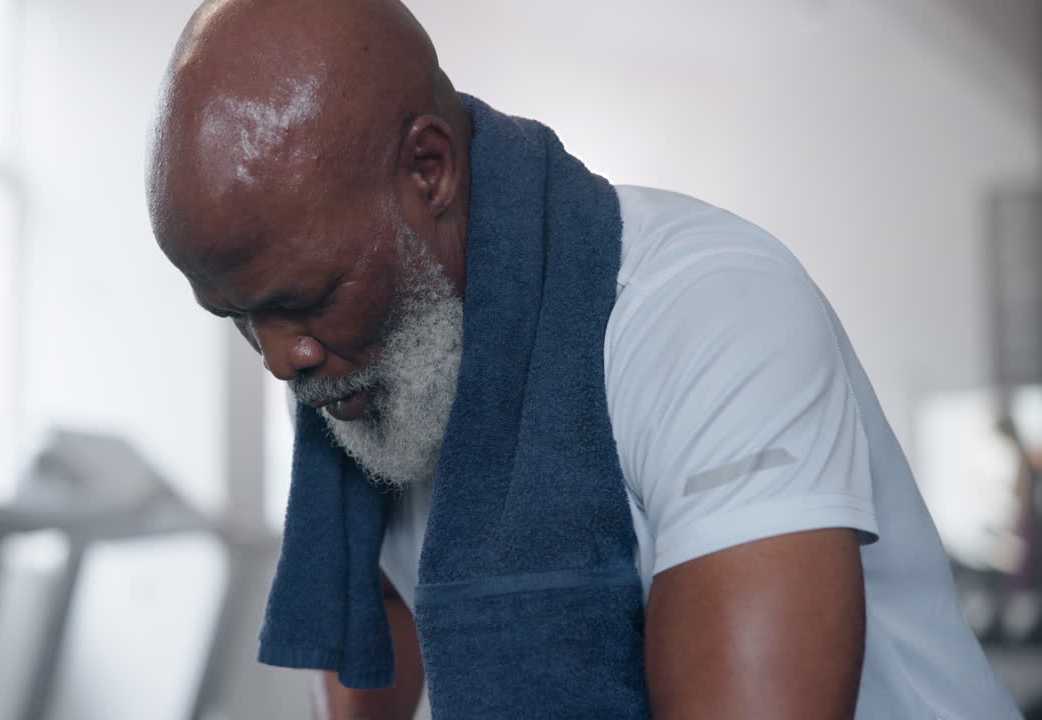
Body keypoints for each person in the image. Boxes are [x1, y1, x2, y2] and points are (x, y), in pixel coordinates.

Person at [145, 0, 1022, 718]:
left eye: (304, 297)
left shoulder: (706, 311)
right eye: (239, 316)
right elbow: (378, 649)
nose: (280, 359)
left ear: (428, 169)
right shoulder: (360, 375)